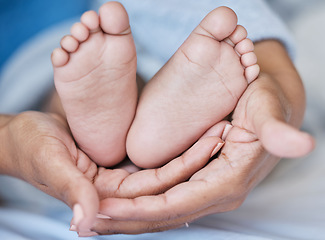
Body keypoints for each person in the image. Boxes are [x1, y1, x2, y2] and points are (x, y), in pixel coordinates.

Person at [0, 0, 316, 238]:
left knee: (45, 99)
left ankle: (84, 120)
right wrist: (277, 78)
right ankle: (149, 113)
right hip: (129, 31)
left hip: (27, 54)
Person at [51, 2, 260, 168]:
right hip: (152, 36)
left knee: (51, 93)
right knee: (106, 74)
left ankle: (94, 131)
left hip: (42, 44)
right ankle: (153, 131)